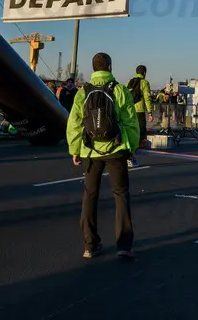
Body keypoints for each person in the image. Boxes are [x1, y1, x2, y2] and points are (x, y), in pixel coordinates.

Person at [67, 52, 140, 260]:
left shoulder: (83, 92)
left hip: (90, 150)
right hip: (116, 150)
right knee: (121, 195)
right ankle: (124, 246)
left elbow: (74, 123)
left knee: (90, 196)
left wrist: (75, 149)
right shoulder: (120, 90)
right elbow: (130, 122)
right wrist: (132, 147)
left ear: (93, 68)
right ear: (109, 67)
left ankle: (90, 245)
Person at [127, 65, 153, 168]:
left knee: (130, 132)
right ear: (145, 73)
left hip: (129, 111)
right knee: (141, 133)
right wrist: (150, 112)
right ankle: (131, 156)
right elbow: (147, 97)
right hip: (139, 110)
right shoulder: (145, 83)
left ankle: (129, 153)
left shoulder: (130, 81)